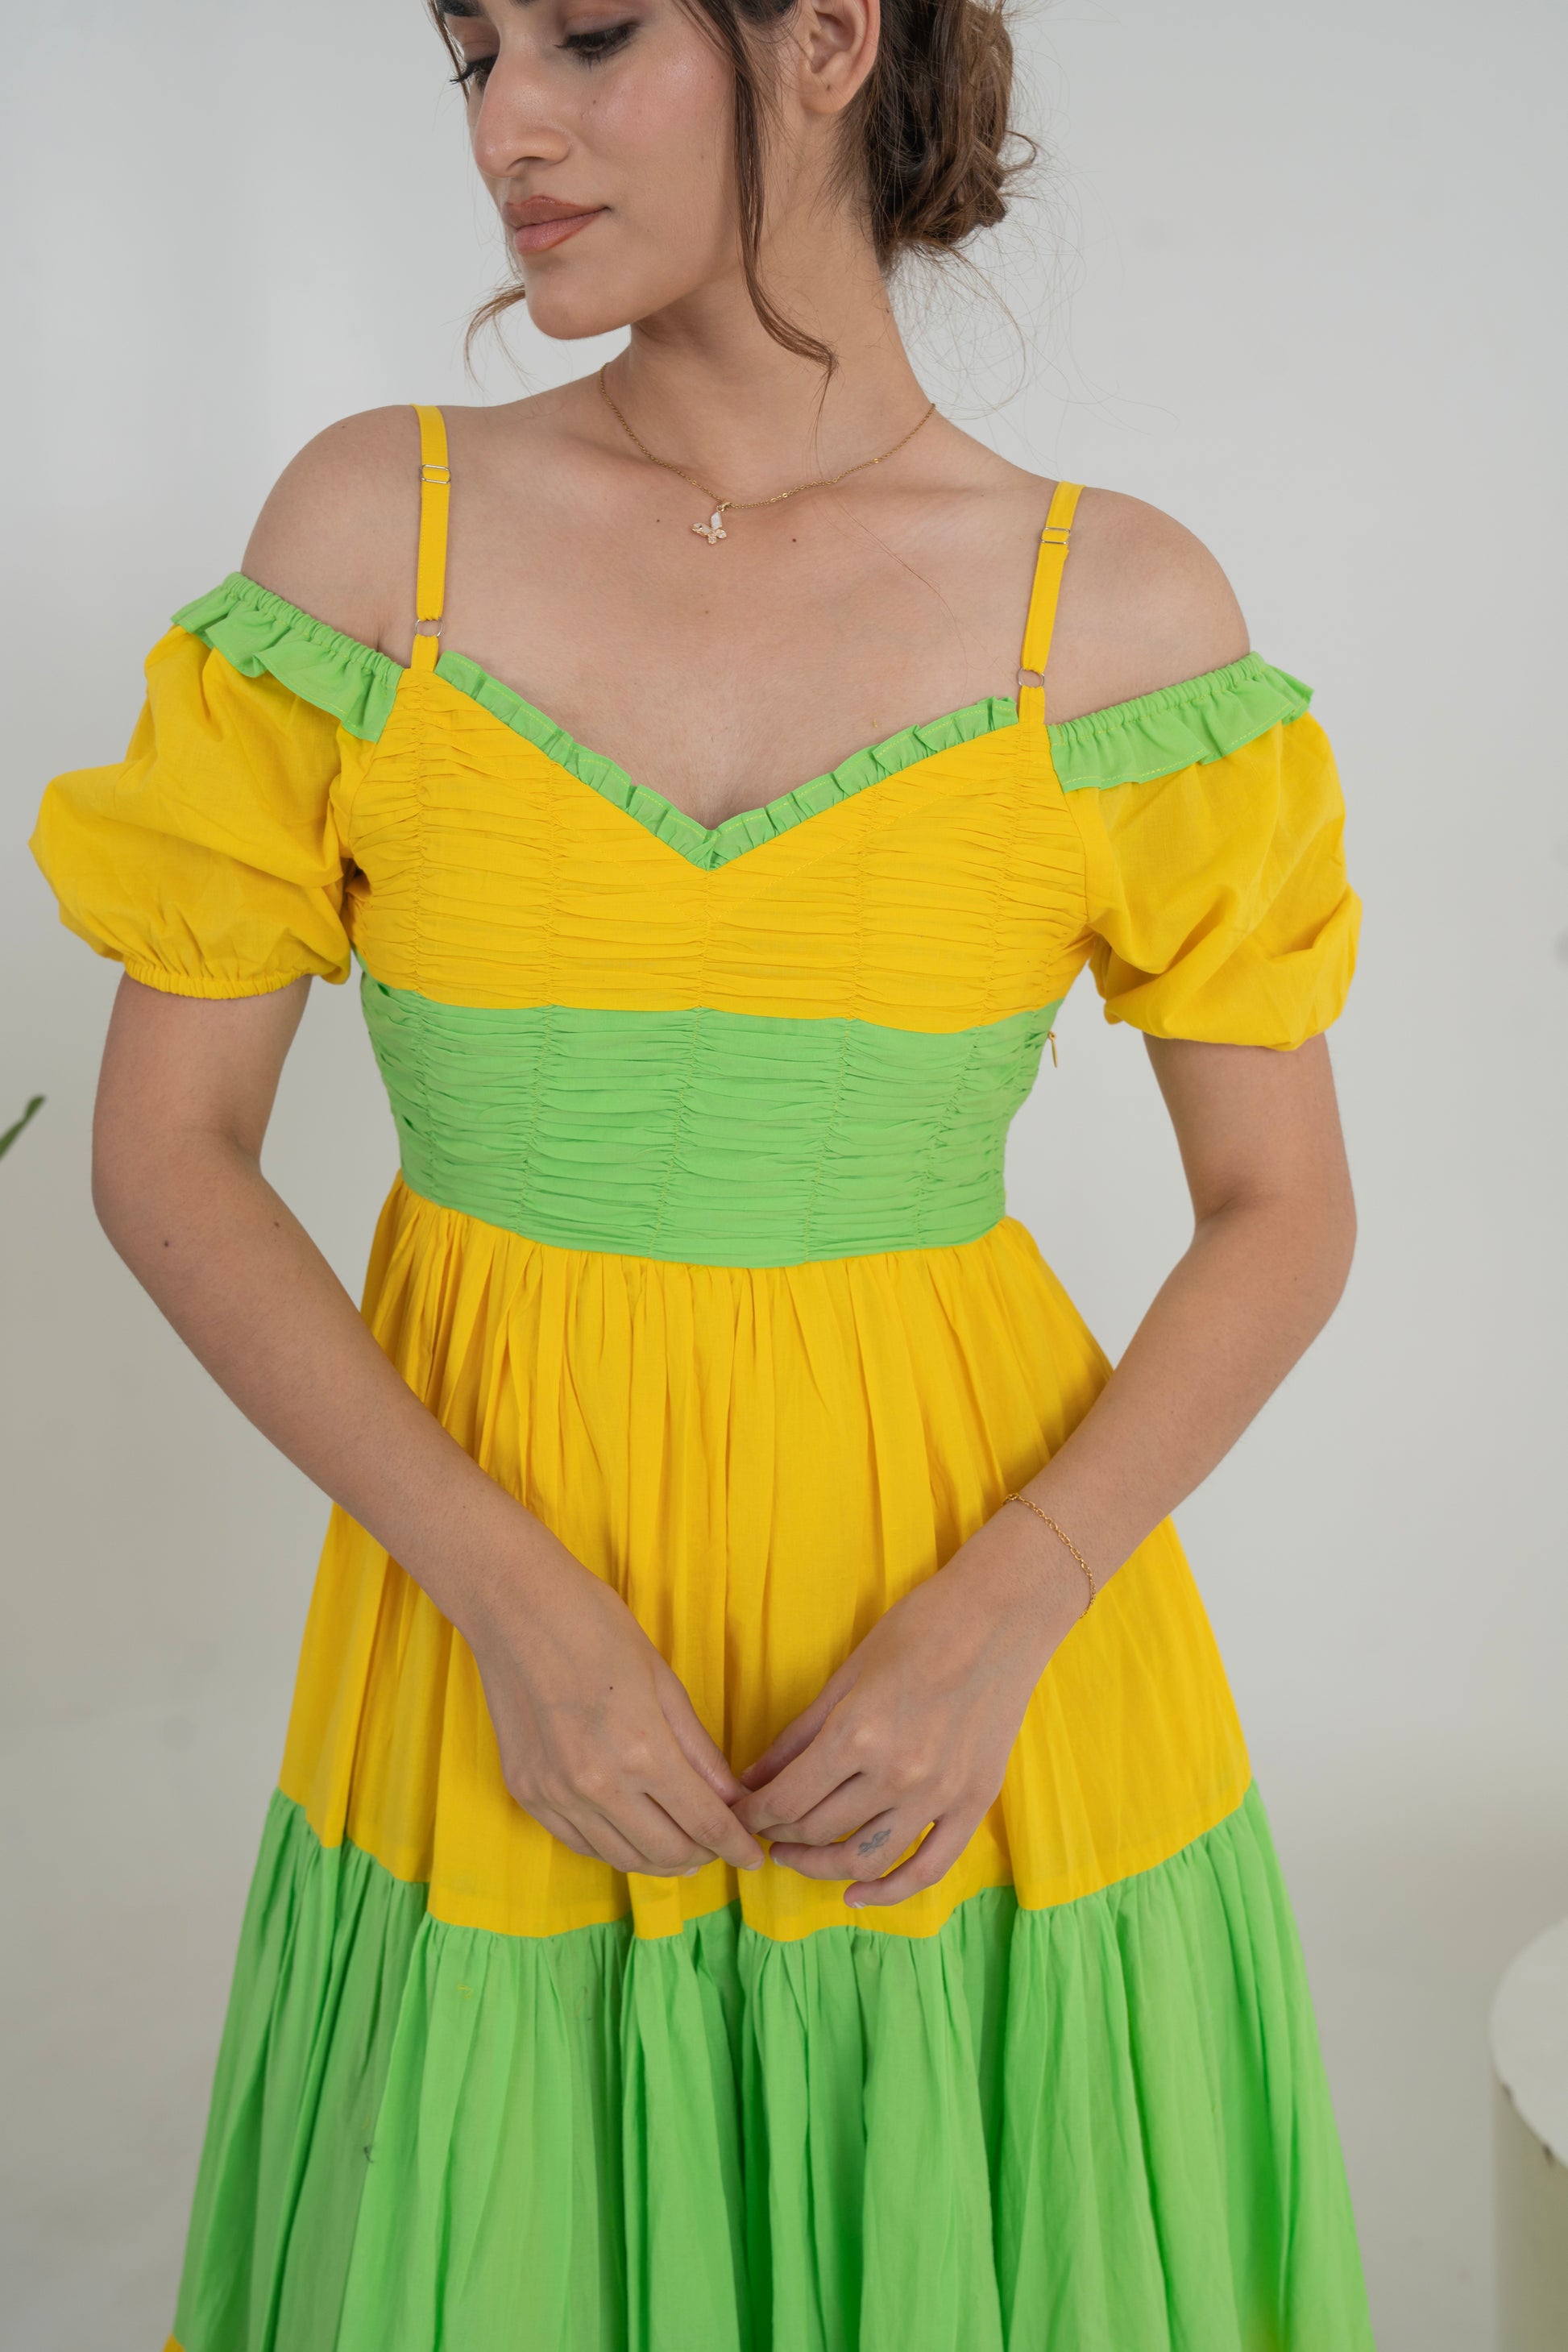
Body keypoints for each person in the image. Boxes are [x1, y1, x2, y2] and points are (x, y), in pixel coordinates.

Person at [30, 0, 1377, 2343]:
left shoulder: (1116, 615)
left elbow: (1284, 1212)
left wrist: (1008, 1616)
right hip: (494, 1641)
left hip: (968, 1662)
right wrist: (510, 1606)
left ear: (828, 38)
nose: (507, 128)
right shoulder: (372, 536)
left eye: (583, 34)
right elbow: (168, 1153)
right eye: (469, 59)